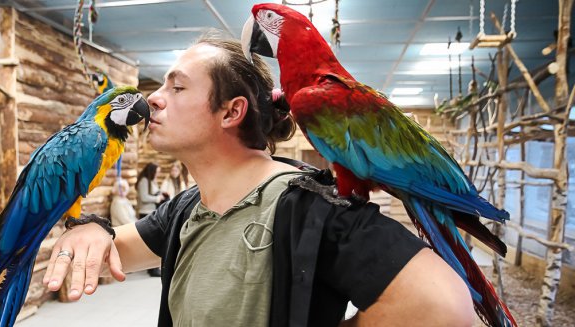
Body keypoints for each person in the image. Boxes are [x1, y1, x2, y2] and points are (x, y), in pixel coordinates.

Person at [43, 35, 474, 326]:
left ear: (231, 112)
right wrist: (92, 232)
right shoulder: (188, 208)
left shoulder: (309, 206)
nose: (153, 98)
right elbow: (113, 250)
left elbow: (445, 307)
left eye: (177, 88)